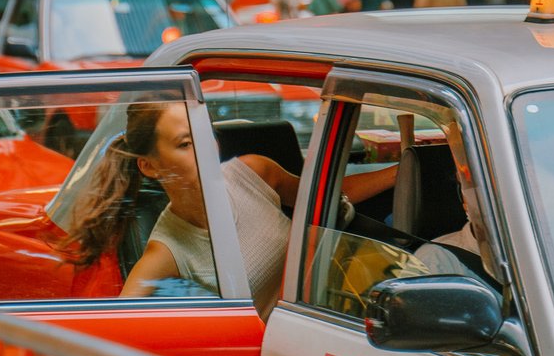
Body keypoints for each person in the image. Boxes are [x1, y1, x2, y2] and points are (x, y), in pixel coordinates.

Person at [67, 101, 398, 319]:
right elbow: (118, 330)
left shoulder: (253, 172)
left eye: (205, 135)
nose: (206, 150)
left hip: (343, 311)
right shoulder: (166, 253)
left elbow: (326, 198)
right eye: (185, 144)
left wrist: (403, 171)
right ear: (149, 166)